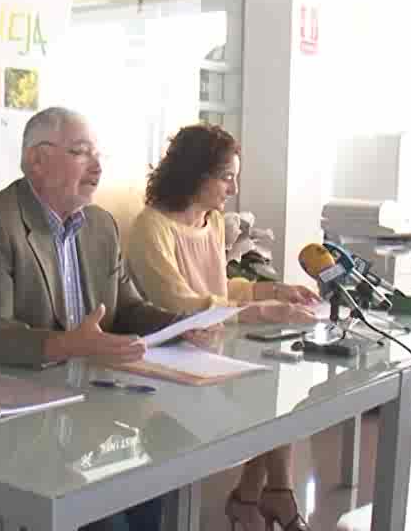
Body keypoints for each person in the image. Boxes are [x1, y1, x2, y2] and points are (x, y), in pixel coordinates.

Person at [0, 106, 179, 530]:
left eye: (98, 155)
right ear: (37, 160)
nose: (98, 167)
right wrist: (70, 345)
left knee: (162, 465)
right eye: (82, 153)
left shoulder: (101, 225)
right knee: (108, 504)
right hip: (12, 410)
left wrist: (185, 325)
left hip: (89, 401)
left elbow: (128, 309)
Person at [126, 124, 318, 531]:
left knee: (280, 388)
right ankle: (265, 496)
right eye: (226, 177)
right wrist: (263, 311)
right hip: (172, 358)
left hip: (216, 347)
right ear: (196, 174)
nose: (233, 188)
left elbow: (219, 287)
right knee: (269, 398)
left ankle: (259, 495)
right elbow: (181, 304)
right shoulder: (150, 227)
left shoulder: (212, 221)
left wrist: (274, 290)